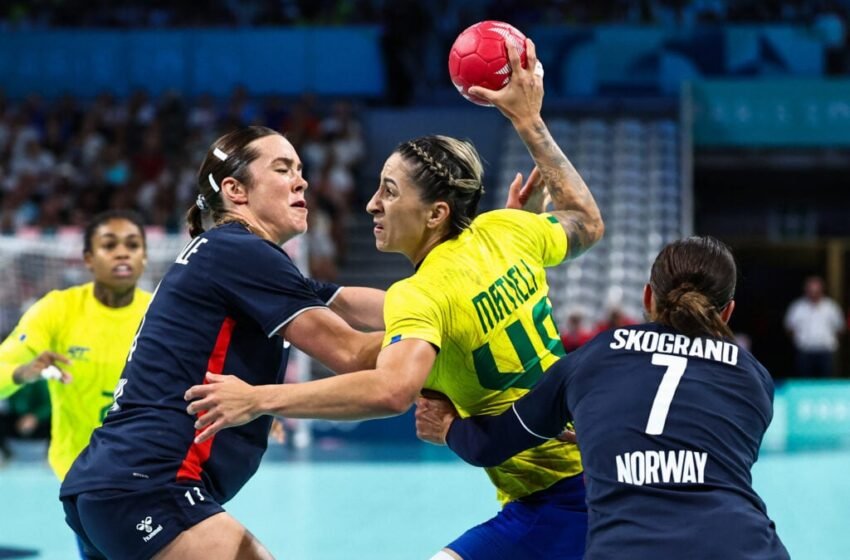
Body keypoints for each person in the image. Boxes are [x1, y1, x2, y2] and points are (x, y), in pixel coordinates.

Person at [186, 39, 604, 560]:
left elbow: (389, 390)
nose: (371, 203)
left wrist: (259, 399)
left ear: (436, 214)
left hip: (557, 502)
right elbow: (586, 222)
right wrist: (529, 123)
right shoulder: (506, 232)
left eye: (388, 191)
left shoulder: (423, 293)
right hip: (593, 475)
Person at [59, 126, 387, 560]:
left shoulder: (231, 254)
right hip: (151, 484)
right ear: (235, 190)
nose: (301, 180)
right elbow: (353, 353)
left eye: (301, 169)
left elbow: (348, 301)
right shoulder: (243, 254)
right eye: (282, 168)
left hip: (113, 484)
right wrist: (447, 331)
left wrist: (438, 301)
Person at [415, 236, 790, 560]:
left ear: (647, 296)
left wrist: (448, 427)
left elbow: (491, 445)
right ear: (727, 312)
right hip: (746, 547)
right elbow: (703, 455)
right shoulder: (754, 379)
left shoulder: (595, 356)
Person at [0, 210, 152, 551]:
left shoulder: (161, 313)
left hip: (148, 468)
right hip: (82, 471)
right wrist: (23, 372)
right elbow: (4, 364)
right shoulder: (58, 310)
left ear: (144, 257)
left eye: (132, 244)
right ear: (88, 258)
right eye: (109, 245)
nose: (122, 253)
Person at [783, 275, 844, 377]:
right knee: (804, 381)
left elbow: (840, 328)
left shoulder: (831, 307)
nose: (813, 294)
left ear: (822, 290)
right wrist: (799, 340)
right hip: (804, 351)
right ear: (806, 290)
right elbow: (789, 328)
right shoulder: (797, 307)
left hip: (826, 351)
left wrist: (829, 341)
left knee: (826, 382)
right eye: (811, 291)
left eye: (816, 291)